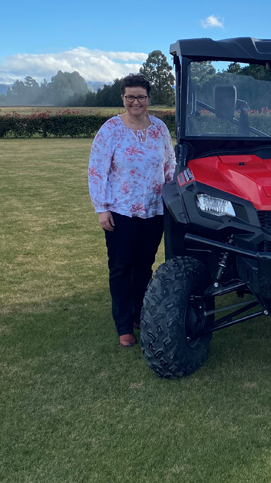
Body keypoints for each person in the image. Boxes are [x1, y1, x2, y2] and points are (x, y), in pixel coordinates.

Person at [88, 74, 176, 347]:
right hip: (121, 212)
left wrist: (174, 193)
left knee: (144, 266)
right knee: (121, 267)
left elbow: (169, 164)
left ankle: (139, 313)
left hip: (154, 211)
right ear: (123, 99)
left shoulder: (160, 128)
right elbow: (97, 170)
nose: (135, 102)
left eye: (140, 96)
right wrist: (102, 209)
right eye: (130, 97)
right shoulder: (111, 129)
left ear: (149, 99)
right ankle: (124, 324)